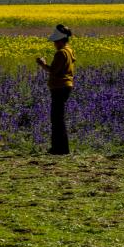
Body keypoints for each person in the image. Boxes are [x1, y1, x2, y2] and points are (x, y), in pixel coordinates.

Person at [35, 25, 75, 155]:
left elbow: (53, 71)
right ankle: (60, 148)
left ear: (61, 40)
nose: (54, 44)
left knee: (57, 119)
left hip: (59, 87)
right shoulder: (69, 50)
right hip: (66, 86)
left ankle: (59, 149)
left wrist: (42, 64)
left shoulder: (61, 52)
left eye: (55, 41)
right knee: (59, 118)